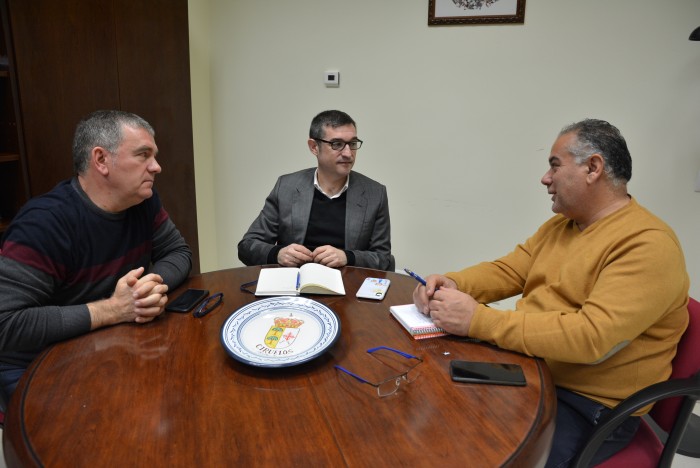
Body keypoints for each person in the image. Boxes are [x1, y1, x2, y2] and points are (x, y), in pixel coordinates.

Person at [412, 119, 689, 467]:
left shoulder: (647, 245)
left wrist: (477, 320)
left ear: (593, 168)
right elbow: (511, 269)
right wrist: (453, 283)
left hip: (587, 404)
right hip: (532, 369)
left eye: (554, 166)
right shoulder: (563, 225)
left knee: (485, 453)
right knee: (435, 408)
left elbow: (591, 338)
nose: (546, 178)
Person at [0, 110, 192, 406]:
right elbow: (7, 324)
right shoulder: (43, 223)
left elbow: (178, 252)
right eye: (143, 155)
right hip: (36, 365)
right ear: (101, 160)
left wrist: (143, 290)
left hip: (106, 345)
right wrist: (113, 310)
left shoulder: (144, 202)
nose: (157, 167)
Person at [238, 110, 394, 271]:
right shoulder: (286, 187)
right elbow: (247, 246)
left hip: (348, 285)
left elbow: (383, 259)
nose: (348, 153)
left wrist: (348, 257)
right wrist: (277, 253)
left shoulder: (375, 194)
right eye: (337, 144)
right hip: (294, 285)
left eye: (352, 144)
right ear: (314, 147)